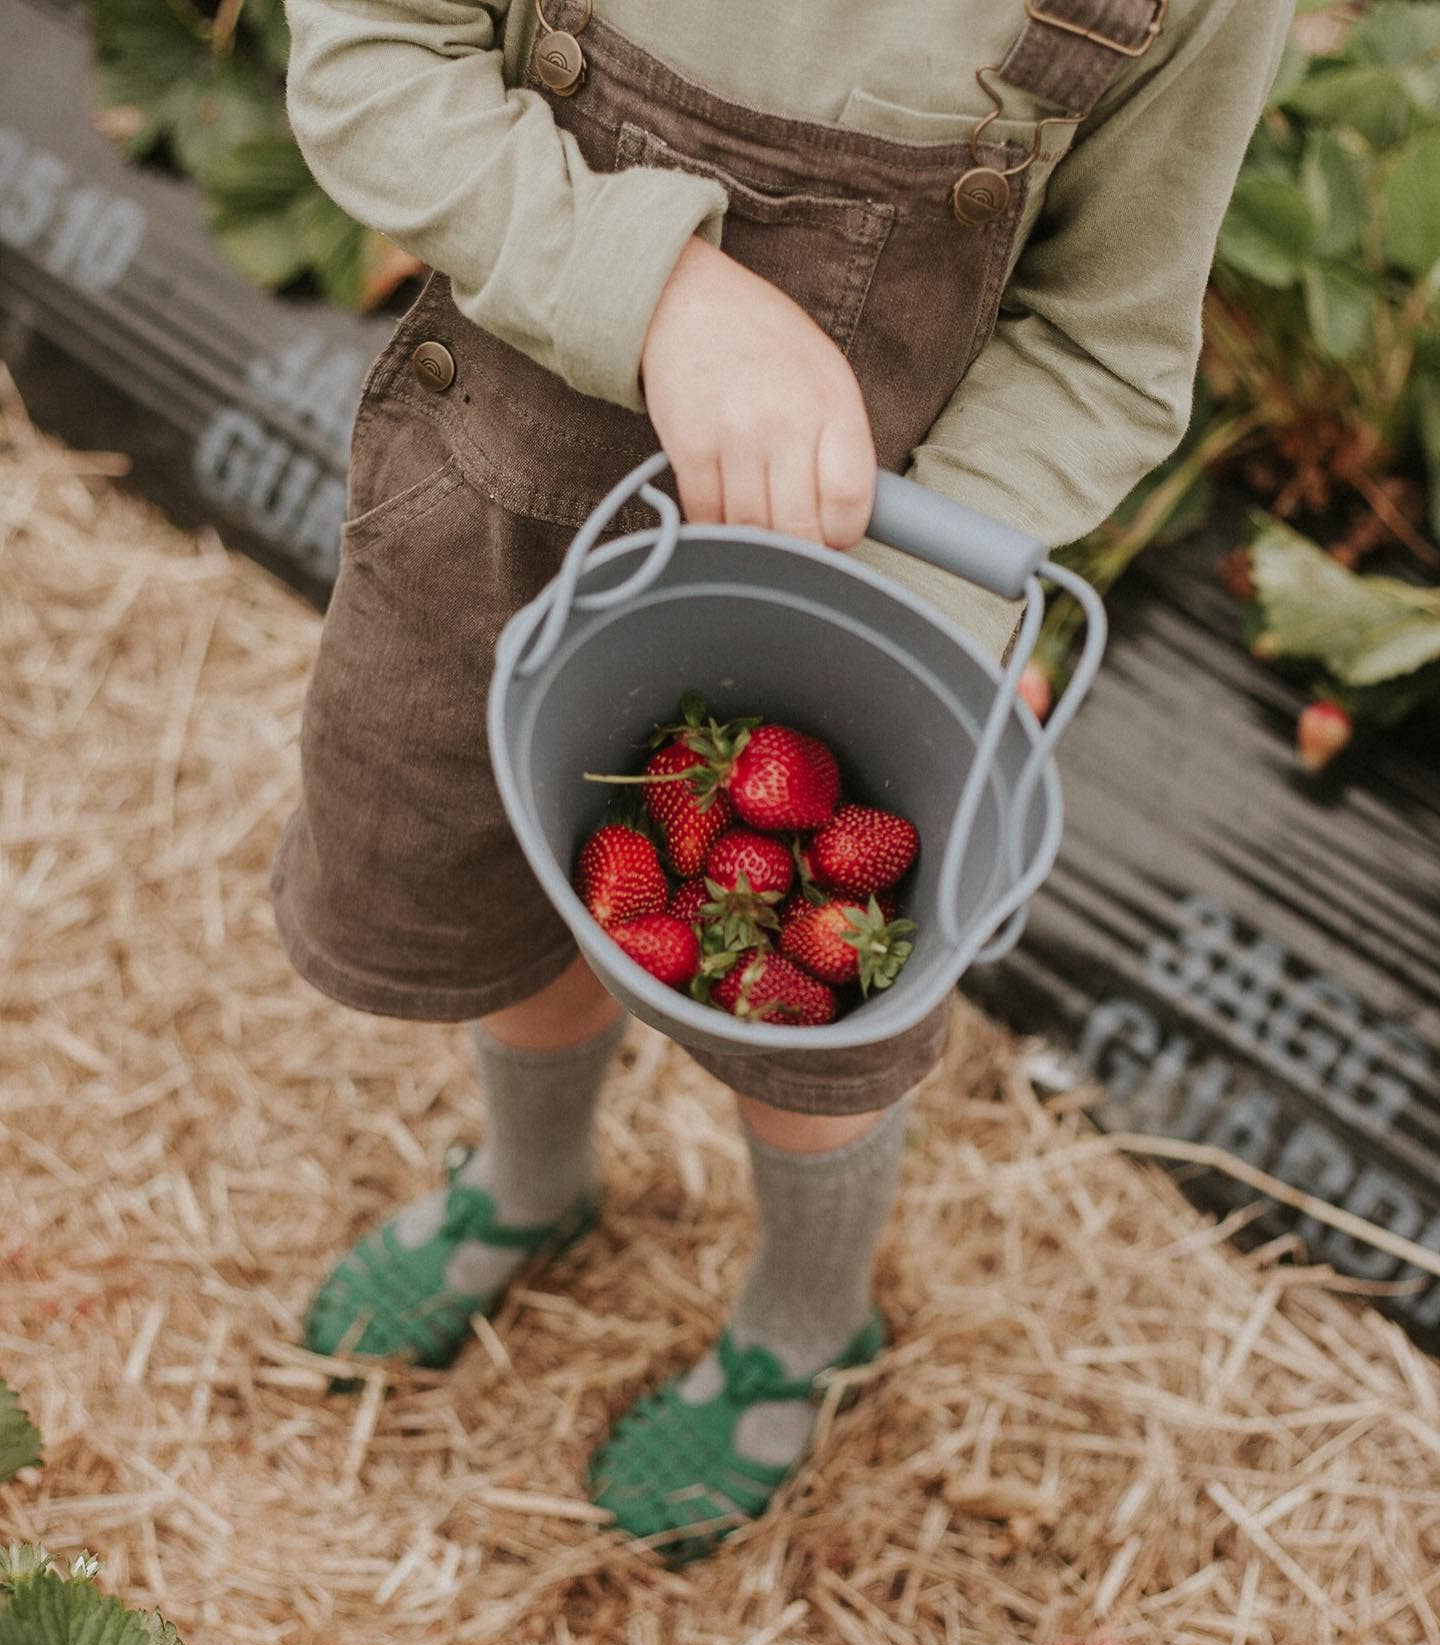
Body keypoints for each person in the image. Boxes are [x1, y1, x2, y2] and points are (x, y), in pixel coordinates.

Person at [271, 0, 1294, 1561]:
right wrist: (666, 299)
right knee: (511, 874)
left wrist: (904, 617)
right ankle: (532, 1180)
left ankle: (808, 1322)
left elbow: (1106, 339)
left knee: (807, 1029)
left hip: (856, 592)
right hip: (506, 507)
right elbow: (372, 61)